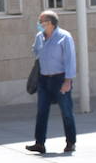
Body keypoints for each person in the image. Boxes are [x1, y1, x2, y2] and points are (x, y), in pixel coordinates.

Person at [28, 10, 78, 154]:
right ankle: (39, 143)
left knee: (66, 111)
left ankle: (70, 142)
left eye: (40, 22)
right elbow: (36, 52)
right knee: (42, 111)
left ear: (49, 23)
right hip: (44, 78)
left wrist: (68, 81)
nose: (38, 24)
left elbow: (70, 60)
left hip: (60, 78)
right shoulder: (39, 36)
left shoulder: (64, 37)